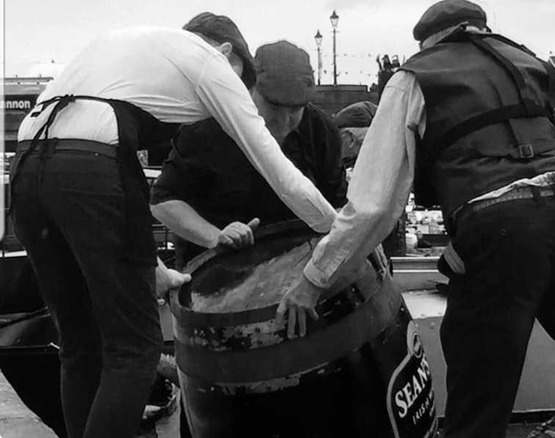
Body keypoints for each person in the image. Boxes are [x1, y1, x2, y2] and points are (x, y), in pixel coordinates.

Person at [276, 1, 555, 437]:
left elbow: (374, 206)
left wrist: (315, 278)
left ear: (429, 41)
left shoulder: (414, 78)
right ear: (479, 29)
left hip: (499, 225)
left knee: (480, 398)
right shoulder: (531, 64)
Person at [9, 12, 336, 438]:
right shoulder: (212, 63)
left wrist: (154, 267)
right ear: (227, 54)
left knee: (80, 344)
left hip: (28, 162)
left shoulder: (129, 49)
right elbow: (284, 178)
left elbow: (113, 193)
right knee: (135, 349)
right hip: (92, 163)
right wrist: (343, 235)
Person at [151, 40, 347, 267]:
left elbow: (338, 206)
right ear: (250, 89)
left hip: (298, 267)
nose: (284, 120)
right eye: (273, 107)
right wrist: (215, 236)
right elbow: (163, 201)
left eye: (296, 109)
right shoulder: (207, 127)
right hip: (217, 272)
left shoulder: (321, 130)